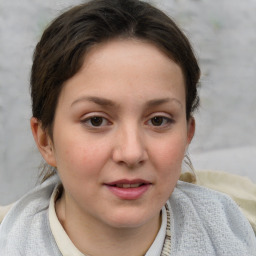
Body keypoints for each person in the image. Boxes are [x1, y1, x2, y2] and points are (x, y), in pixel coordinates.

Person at [0, 0, 255, 255]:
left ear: (188, 134)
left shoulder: (238, 236)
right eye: (96, 120)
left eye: (158, 120)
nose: (131, 153)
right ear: (46, 140)